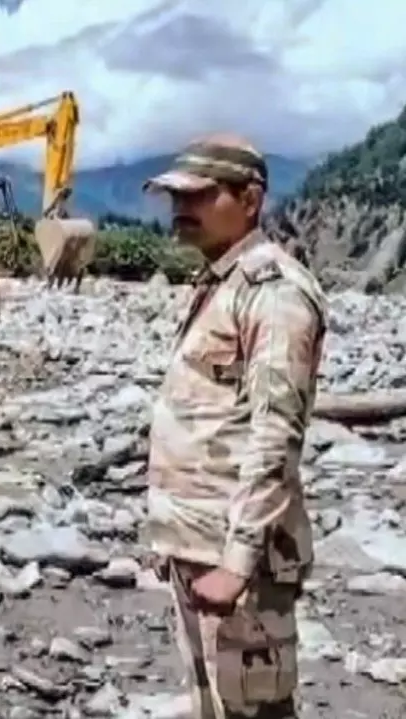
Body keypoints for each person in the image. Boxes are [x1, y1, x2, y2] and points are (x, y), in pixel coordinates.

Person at [142, 134, 327, 719]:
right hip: (199, 544)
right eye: (176, 196)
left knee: (254, 709)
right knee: (214, 705)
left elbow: (277, 435)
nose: (181, 208)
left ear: (250, 200)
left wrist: (237, 562)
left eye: (200, 195)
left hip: (237, 559)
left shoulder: (274, 294)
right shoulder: (223, 283)